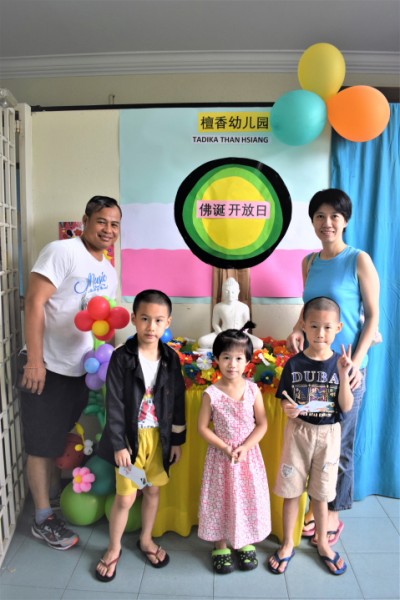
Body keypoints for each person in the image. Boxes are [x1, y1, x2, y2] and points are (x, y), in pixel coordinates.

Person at [20, 195, 122, 550]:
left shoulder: (108, 270)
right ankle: (42, 518)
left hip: (81, 370)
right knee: (41, 444)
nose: (108, 230)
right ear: (85, 221)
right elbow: (34, 302)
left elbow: (103, 322)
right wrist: (35, 361)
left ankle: (50, 503)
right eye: (101, 221)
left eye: (114, 224)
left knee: (58, 439)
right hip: (47, 367)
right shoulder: (61, 252)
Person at [286, 188, 380, 543]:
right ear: (313, 221)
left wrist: (354, 364)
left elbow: (372, 317)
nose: (327, 223)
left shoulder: (359, 260)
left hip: (346, 368)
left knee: (341, 443)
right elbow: (308, 310)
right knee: (316, 442)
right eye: (320, 216)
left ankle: (333, 514)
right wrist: (297, 329)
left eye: (334, 216)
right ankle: (317, 507)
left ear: (345, 221)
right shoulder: (309, 262)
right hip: (315, 367)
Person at [95, 289, 186, 582]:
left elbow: (178, 401)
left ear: (168, 322)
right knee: (126, 497)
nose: (151, 326)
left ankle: (146, 539)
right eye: (145, 319)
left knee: (153, 490)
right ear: (134, 318)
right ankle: (113, 547)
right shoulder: (122, 358)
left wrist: (177, 440)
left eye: (158, 320)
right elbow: (114, 404)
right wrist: (119, 444)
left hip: (159, 440)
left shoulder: (171, 358)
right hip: (131, 442)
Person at [269, 297, 353, 576]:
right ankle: (287, 543)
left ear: (338, 328)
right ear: (303, 325)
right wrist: (288, 408)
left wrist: (343, 375)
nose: (320, 333)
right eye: (314, 326)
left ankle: (323, 544)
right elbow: (285, 399)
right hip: (299, 433)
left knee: (322, 493)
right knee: (291, 490)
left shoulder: (341, 363)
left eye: (327, 327)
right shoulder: (294, 364)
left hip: (329, 435)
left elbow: (346, 406)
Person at [198, 324, 271, 574]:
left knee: (247, 499)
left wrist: (246, 447)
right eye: (226, 357)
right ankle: (220, 544)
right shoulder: (211, 393)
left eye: (239, 358)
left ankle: (245, 539)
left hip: (248, 458)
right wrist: (225, 447)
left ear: (248, 361)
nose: (232, 364)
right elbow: (202, 428)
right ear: (217, 359)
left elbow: (262, 424)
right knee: (221, 501)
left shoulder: (253, 389)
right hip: (221, 459)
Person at [198, 277, 263, 350]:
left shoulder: (244, 307)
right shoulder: (218, 306)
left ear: (238, 292)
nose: (230, 294)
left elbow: (247, 325)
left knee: (258, 343)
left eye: (233, 292)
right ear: (223, 292)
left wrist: (240, 334)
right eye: (227, 292)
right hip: (223, 334)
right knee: (202, 341)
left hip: (240, 334)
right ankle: (231, 346)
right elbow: (215, 324)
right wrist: (221, 334)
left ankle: (228, 346)